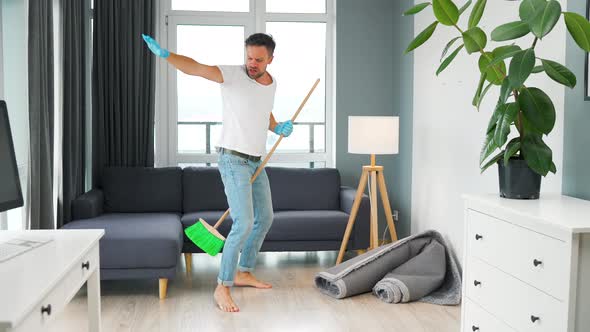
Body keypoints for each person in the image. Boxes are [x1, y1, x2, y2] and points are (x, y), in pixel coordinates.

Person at [142, 32, 293, 312]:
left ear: (271, 59)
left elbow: (265, 113)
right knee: (244, 222)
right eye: (249, 57)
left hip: (256, 161)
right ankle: (222, 285)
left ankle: (243, 270)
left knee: (266, 218)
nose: (252, 63)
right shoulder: (232, 75)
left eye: (259, 60)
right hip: (233, 159)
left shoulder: (271, 83)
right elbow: (197, 67)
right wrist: (166, 55)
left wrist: (277, 126)